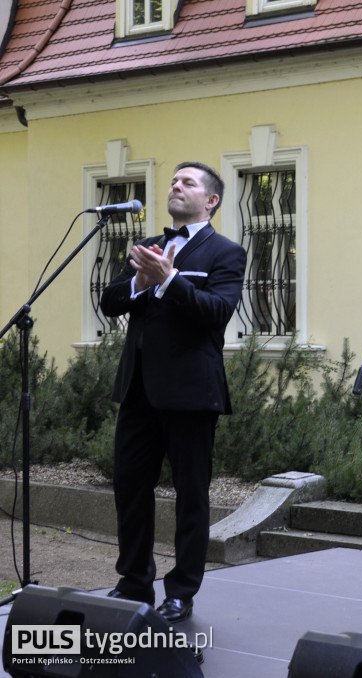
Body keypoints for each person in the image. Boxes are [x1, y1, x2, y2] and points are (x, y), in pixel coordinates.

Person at [100, 161, 246, 624]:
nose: (176, 186)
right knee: (130, 487)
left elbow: (216, 311)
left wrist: (168, 280)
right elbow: (110, 301)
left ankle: (182, 590)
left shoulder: (226, 252)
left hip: (190, 393)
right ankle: (134, 581)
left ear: (212, 200)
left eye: (188, 182)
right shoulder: (149, 246)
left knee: (191, 496)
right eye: (173, 181)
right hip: (139, 389)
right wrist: (140, 281)